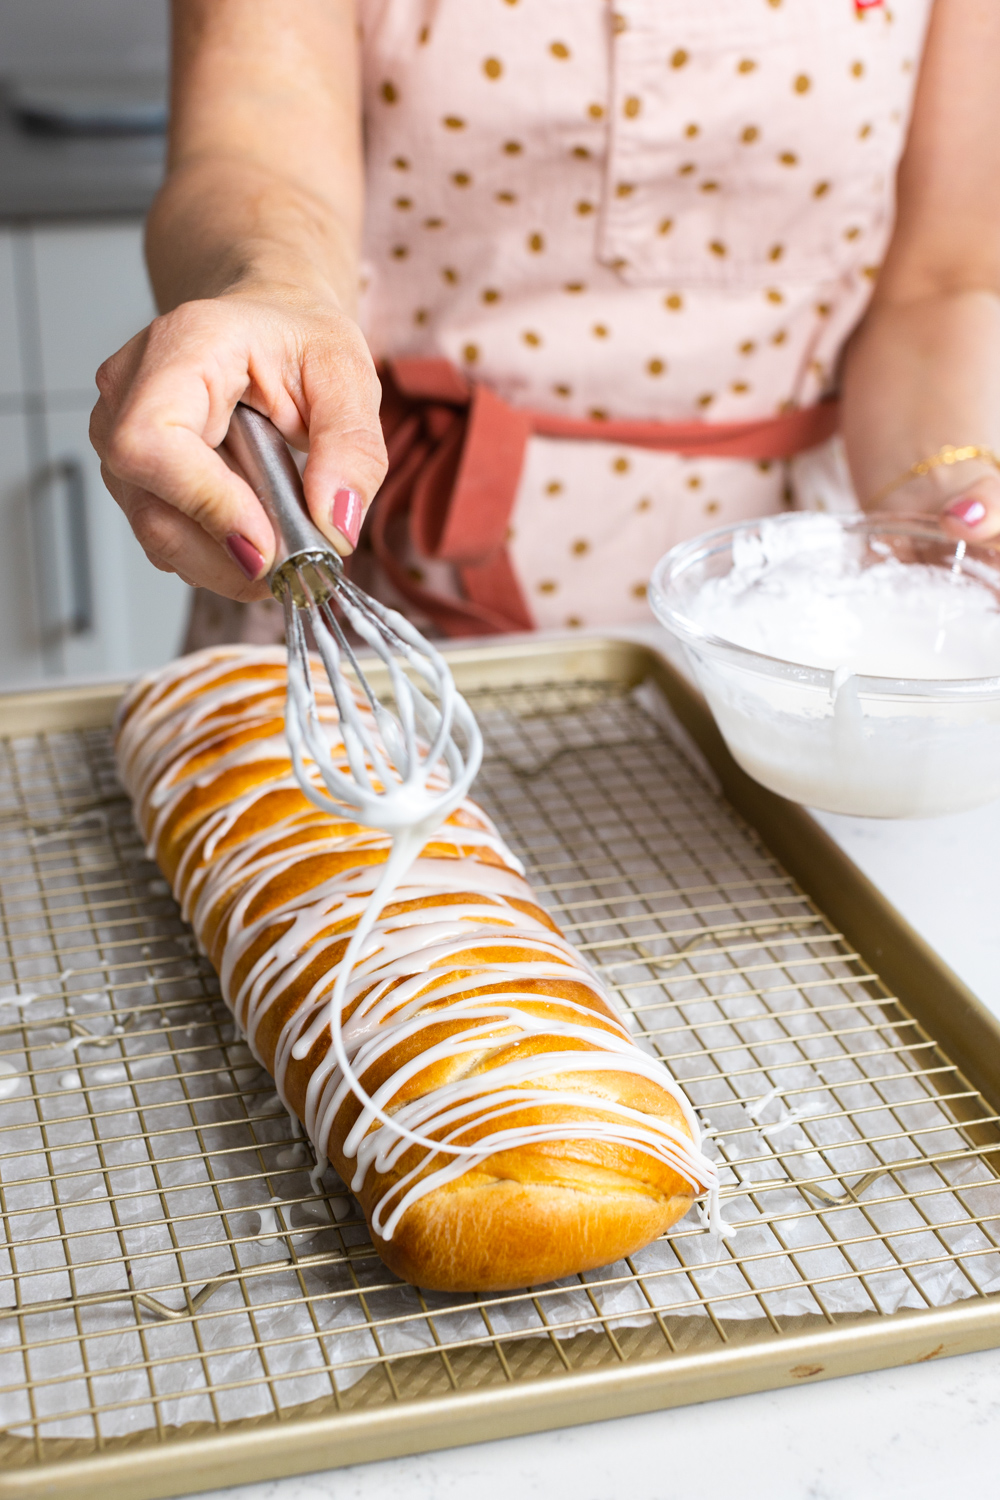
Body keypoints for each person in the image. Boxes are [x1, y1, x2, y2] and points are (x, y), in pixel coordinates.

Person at [90, 0, 1000, 650]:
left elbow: (942, 276)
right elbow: (254, 140)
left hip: (792, 619)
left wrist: (945, 484)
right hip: (361, 564)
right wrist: (273, 288)